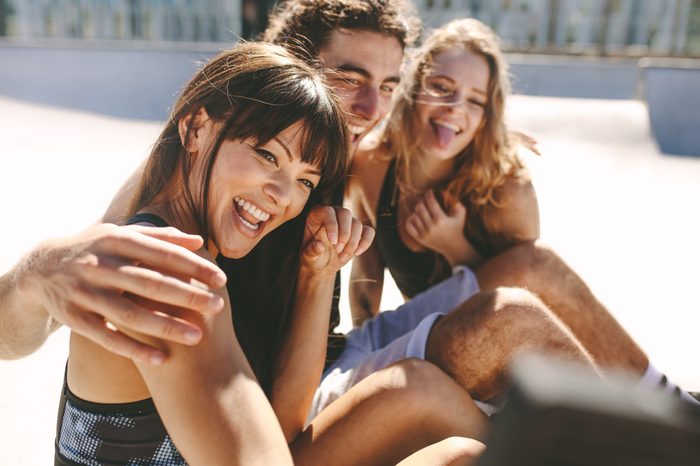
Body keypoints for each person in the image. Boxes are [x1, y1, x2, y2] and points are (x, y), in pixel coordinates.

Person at [341, 16, 699, 412]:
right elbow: (365, 275)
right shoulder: (372, 165)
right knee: (536, 264)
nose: (455, 109)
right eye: (442, 88)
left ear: (487, 114)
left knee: (536, 265)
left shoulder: (507, 188)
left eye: (475, 100)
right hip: (425, 336)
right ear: (413, 88)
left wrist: (455, 247)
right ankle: (664, 406)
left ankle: (663, 407)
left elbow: (538, 307)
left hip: (494, 346)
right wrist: (360, 353)